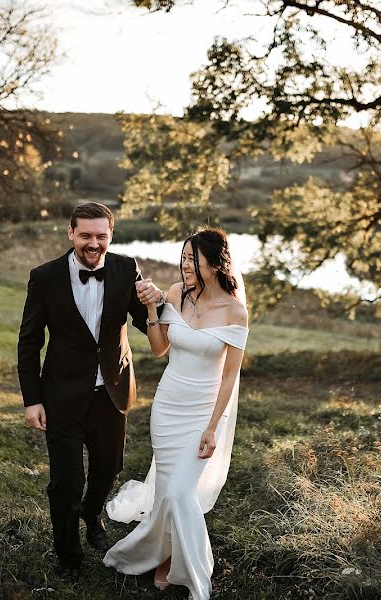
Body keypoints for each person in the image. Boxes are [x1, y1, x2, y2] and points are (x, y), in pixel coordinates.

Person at [17, 202, 165, 577]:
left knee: (107, 468)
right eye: (85, 235)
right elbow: (29, 341)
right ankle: (69, 558)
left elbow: (144, 320)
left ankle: (92, 513)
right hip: (61, 397)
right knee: (66, 483)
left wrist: (155, 303)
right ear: (70, 234)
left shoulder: (126, 268)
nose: (93, 243)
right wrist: (32, 399)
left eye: (101, 236)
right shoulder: (44, 277)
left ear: (110, 236)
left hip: (111, 392)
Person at [103, 227, 248, 600]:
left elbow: (230, 376)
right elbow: (158, 348)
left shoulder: (235, 311)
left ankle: (189, 571)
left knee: (182, 493)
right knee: (167, 491)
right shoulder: (174, 294)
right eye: (183, 258)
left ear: (215, 264)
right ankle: (163, 557)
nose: (184, 266)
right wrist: (152, 308)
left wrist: (213, 427)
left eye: (192, 260)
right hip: (168, 407)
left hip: (204, 411)